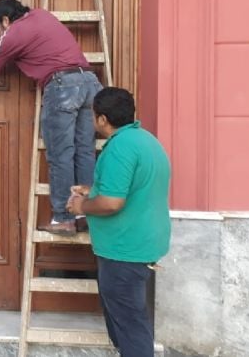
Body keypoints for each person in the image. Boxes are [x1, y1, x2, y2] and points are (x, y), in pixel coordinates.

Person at [0, 0, 102, 235]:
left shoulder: (13, 33)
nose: (1, 32)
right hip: (90, 84)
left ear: (4, 19)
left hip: (63, 87)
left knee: (61, 155)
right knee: (84, 151)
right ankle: (86, 216)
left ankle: (63, 218)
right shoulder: (42, 15)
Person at [66, 87, 171, 357]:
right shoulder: (144, 140)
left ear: (102, 119)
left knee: (130, 327)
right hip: (141, 244)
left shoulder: (119, 148)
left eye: (93, 117)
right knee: (132, 322)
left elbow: (113, 203)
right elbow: (136, 187)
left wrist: (82, 205)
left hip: (124, 250)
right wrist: (94, 190)